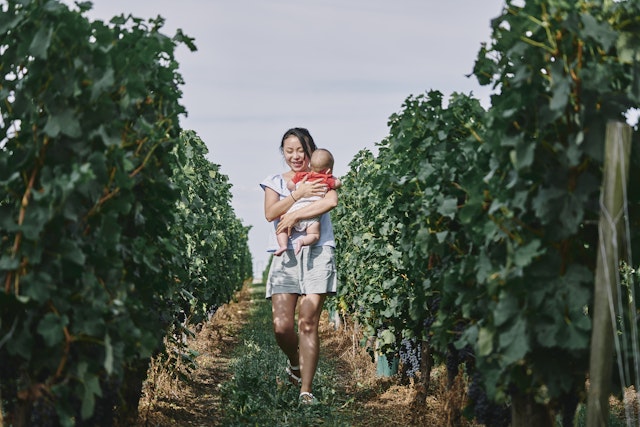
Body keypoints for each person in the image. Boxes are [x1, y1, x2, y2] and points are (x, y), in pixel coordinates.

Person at [260, 127, 338, 405]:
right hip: (286, 257)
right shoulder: (275, 182)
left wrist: (293, 217)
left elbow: (331, 201)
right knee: (282, 327)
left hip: (317, 252)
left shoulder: (323, 178)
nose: (295, 156)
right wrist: (298, 194)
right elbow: (270, 213)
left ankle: (306, 390)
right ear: (283, 152)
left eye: (300, 150)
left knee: (308, 323)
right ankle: (295, 362)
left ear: (310, 150)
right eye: (289, 150)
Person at [274, 148, 342, 256]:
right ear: (328, 170)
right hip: (312, 214)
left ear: (310, 164)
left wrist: (296, 189)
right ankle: (302, 242)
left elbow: (290, 185)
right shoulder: (327, 179)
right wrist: (330, 176)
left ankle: (283, 245)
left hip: (296, 209)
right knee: (314, 234)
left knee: (281, 226)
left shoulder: (302, 175)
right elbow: (338, 183)